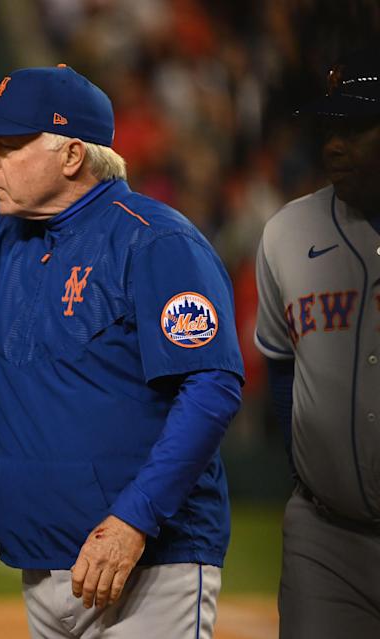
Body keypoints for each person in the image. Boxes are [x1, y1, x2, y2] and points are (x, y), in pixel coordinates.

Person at [0, 65, 244, 638]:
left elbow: (212, 388)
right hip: (40, 559)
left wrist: (133, 522)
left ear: (71, 157)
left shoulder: (155, 240)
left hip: (147, 563)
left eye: (8, 145)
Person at [254, 51, 380, 638]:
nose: (333, 146)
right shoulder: (287, 232)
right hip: (324, 538)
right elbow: (281, 367)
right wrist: (311, 475)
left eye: (354, 129)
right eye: (328, 129)